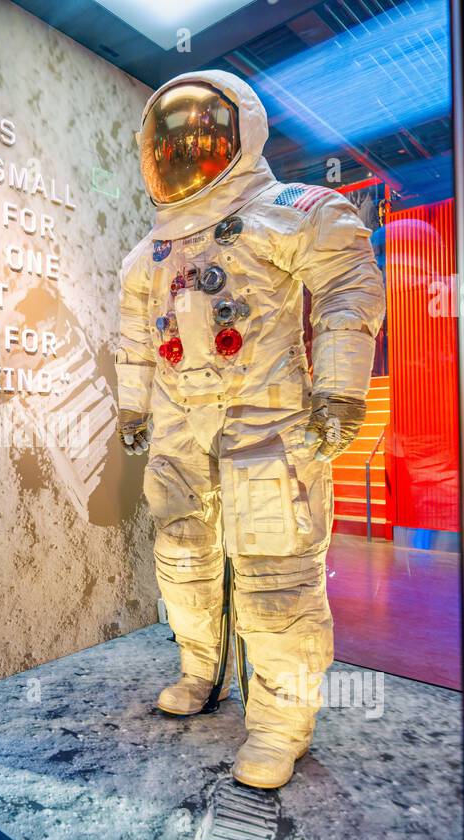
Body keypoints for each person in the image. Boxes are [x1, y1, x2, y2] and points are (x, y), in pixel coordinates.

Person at [115, 71, 384, 789]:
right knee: (180, 553)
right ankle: (200, 669)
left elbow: (348, 286)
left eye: (197, 137)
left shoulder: (289, 211)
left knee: (276, 571)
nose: (180, 153)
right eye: (167, 142)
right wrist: (132, 404)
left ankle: (278, 724)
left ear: (239, 134)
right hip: (179, 421)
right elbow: (135, 341)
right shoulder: (148, 255)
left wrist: (338, 390)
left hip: (267, 413)